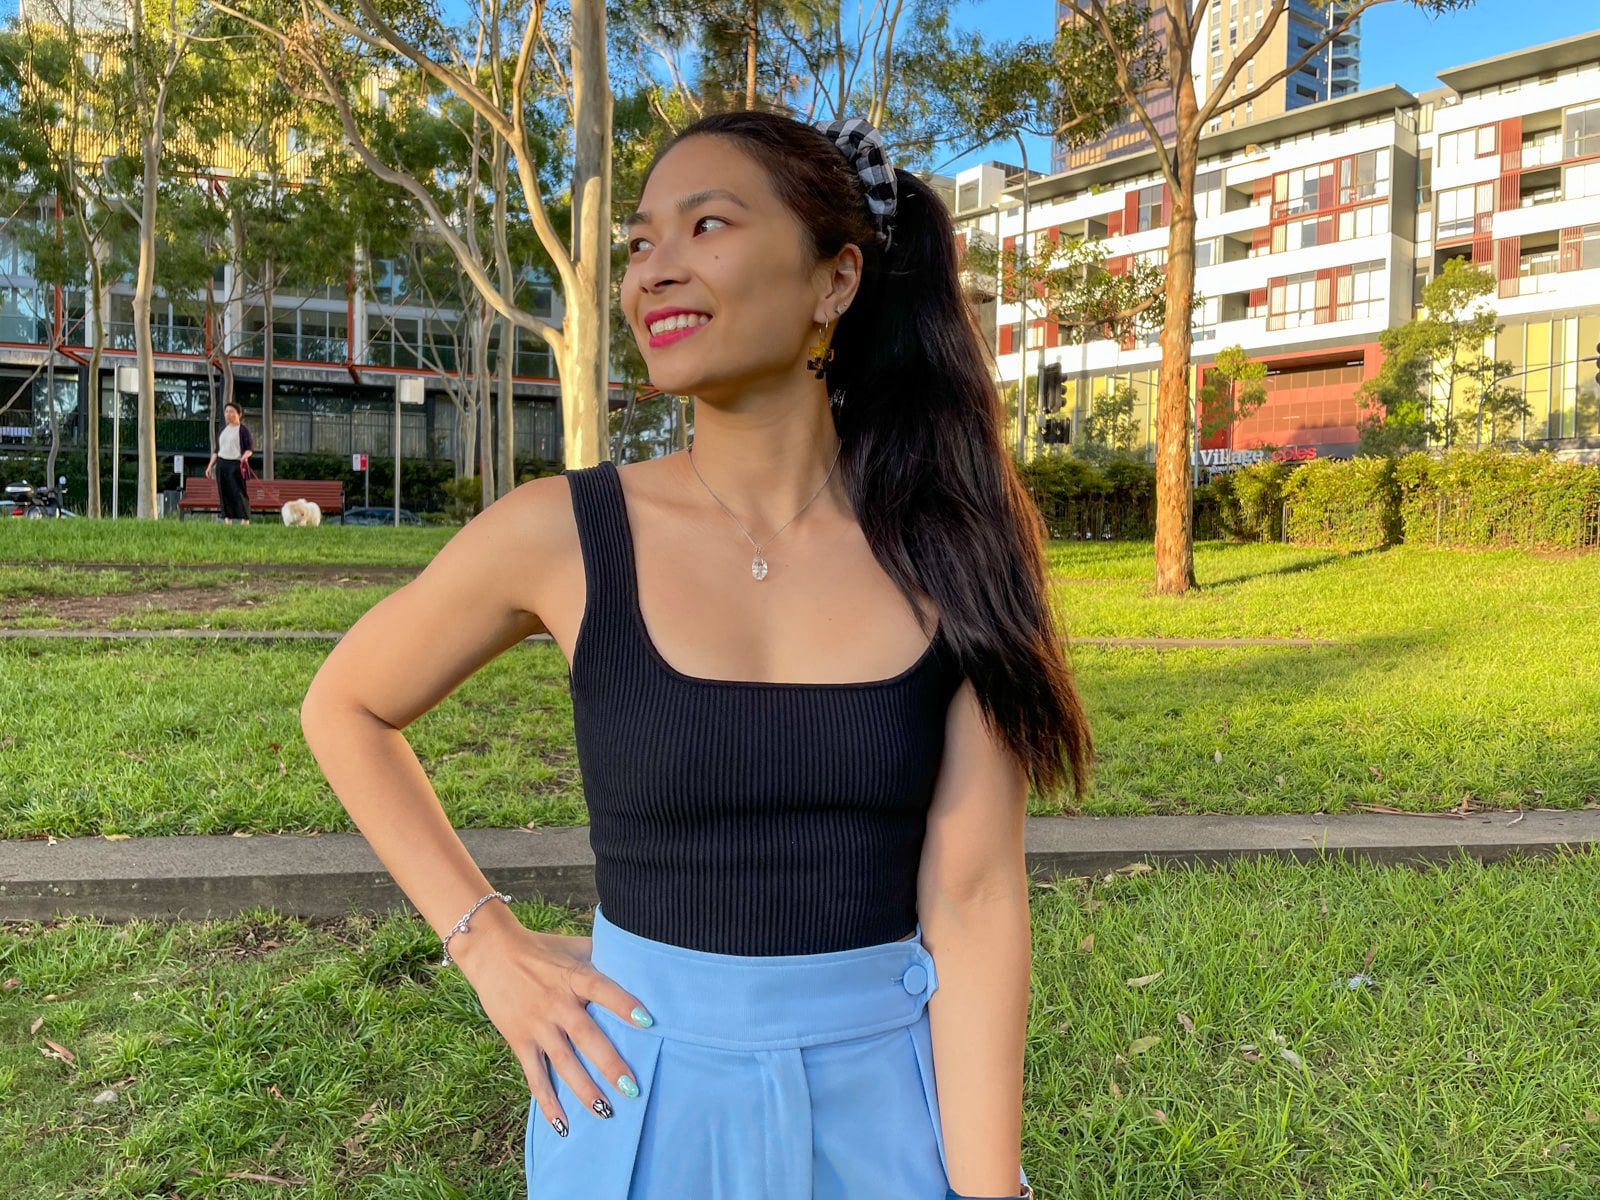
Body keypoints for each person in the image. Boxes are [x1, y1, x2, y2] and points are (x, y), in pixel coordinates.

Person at [298, 111, 1092, 1199]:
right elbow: (345, 705)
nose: (653, 272)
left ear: (835, 282)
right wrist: (487, 947)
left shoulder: (951, 543)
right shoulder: (559, 534)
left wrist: (987, 1185)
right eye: (637, 244)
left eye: (705, 225)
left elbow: (975, 895)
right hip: (632, 1096)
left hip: (889, 1105)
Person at [206, 400, 254, 525]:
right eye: (226, 412)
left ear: (239, 414)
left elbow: (249, 449)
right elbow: (217, 450)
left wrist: (245, 456)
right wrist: (210, 466)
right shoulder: (223, 430)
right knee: (224, 492)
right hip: (222, 464)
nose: (228, 414)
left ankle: (245, 519)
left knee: (238, 492)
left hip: (236, 464)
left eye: (232, 412)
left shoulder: (243, 430)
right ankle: (227, 518)